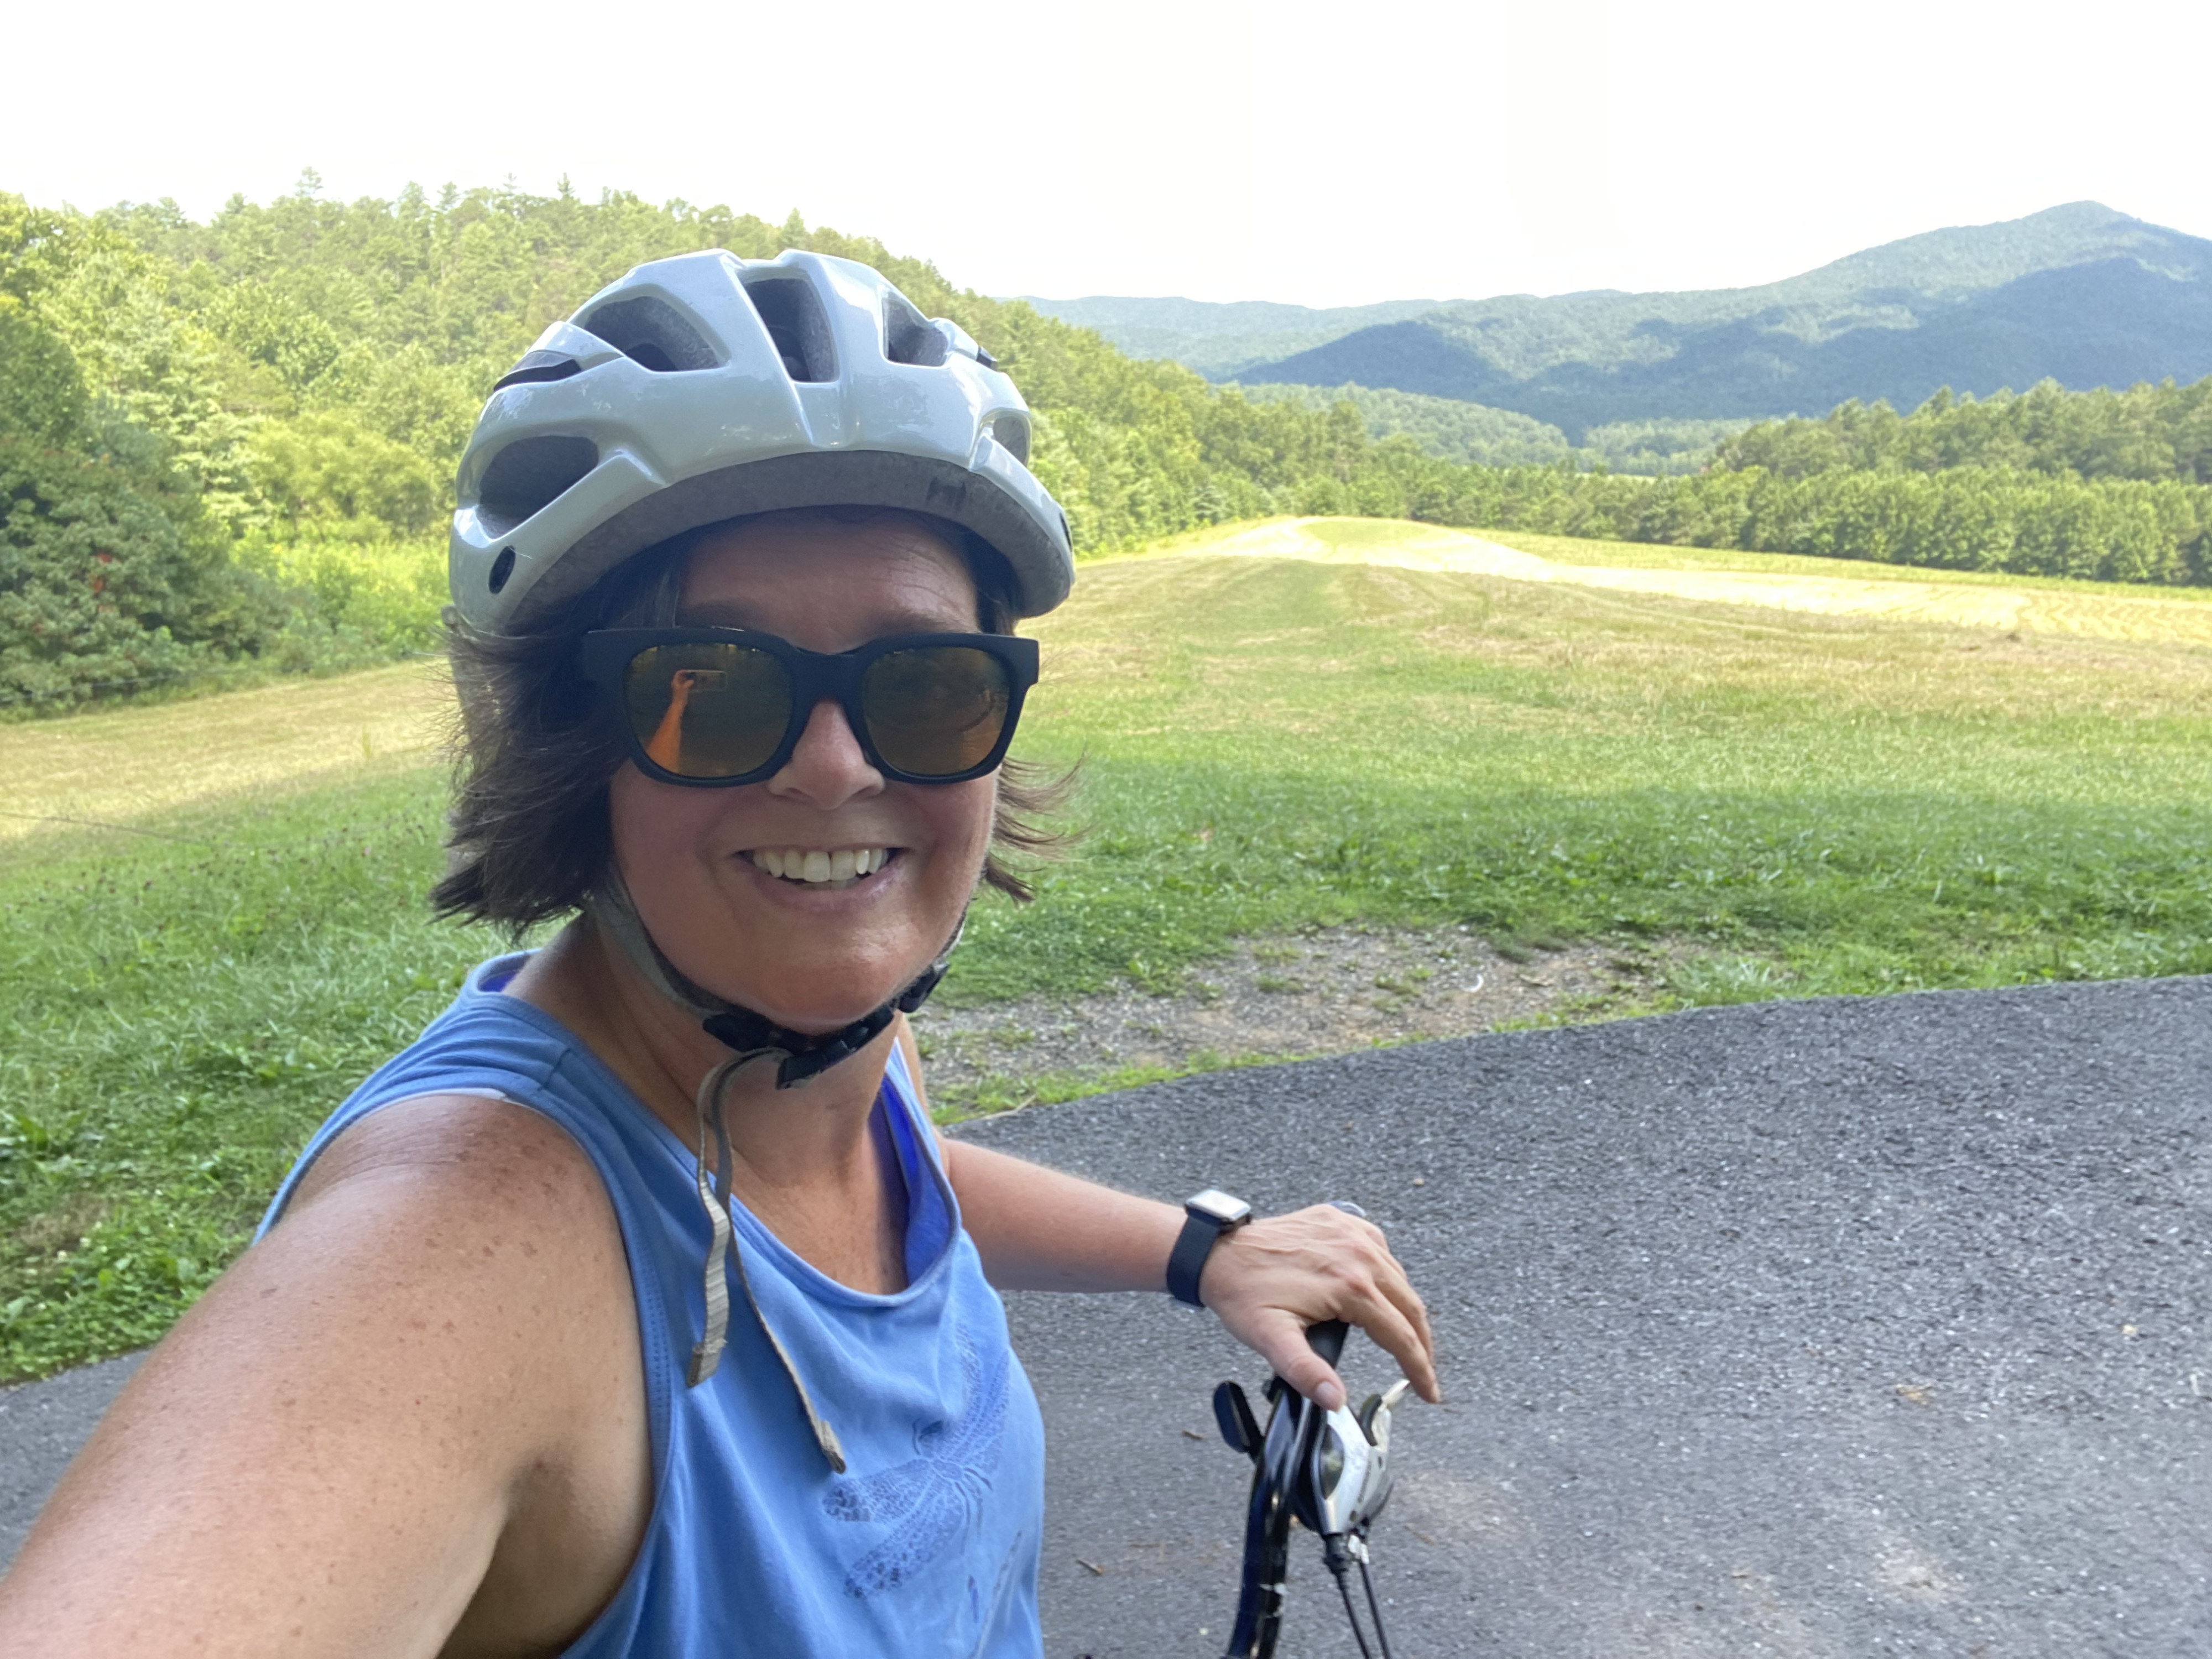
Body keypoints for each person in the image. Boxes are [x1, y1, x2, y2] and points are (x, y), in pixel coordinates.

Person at [0, 249, 1438, 1657]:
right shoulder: (455, 1258)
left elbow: (880, 1184)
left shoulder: (833, 1055)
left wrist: (1199, 1251)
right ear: (575, 748)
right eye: (712, 688)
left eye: (926, 684)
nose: (835, 766)